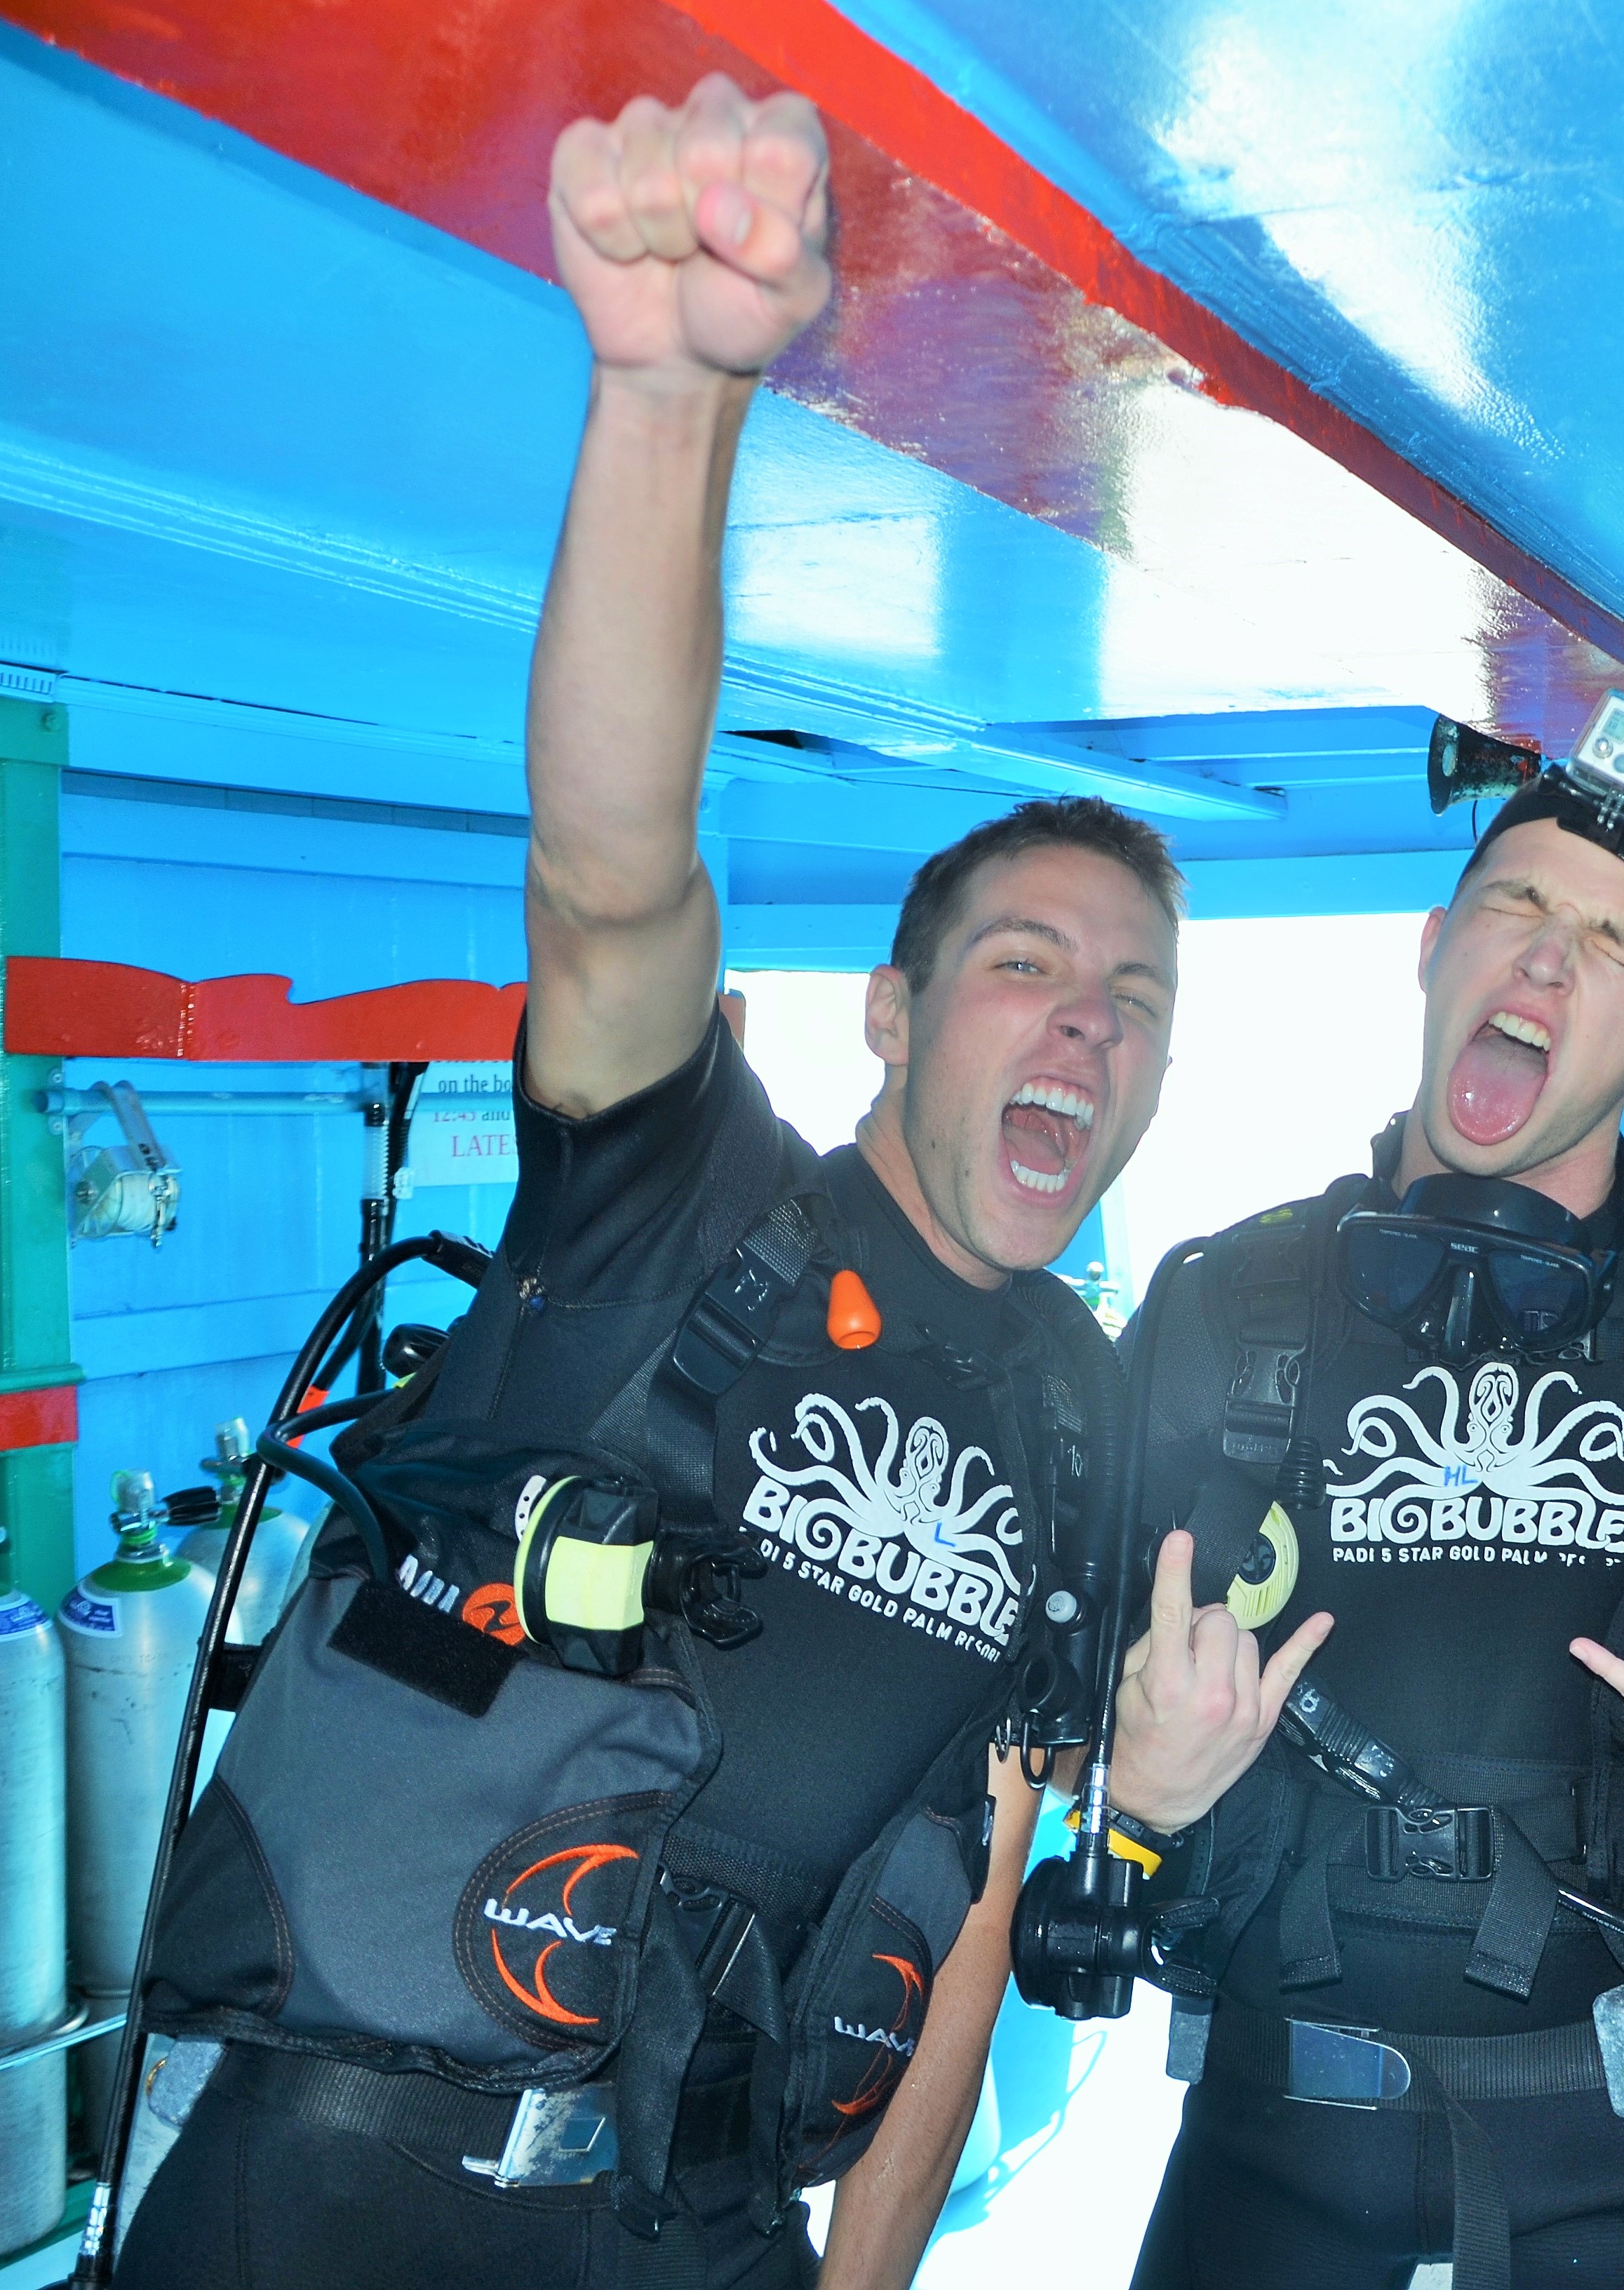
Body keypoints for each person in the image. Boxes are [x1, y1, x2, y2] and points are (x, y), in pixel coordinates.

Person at [119, 79, 1179, 2289]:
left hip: (702, 2227)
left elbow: (980, 1890)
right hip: (345, 2175)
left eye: (1136, 1001)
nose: (1086, 1026)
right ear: (890, 1015)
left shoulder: (1082, 1409)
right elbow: (613, 878)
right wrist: (672, 396)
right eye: (1026, 967)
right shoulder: (690, 1190)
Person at [1096, 761, 1624, 2290]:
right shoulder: (1225, 1306)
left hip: (1619, 2166)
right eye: (1517, 904)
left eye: (1613, 941)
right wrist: (1129, 1786)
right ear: (1433, 945)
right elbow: (1046, 1733)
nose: (1548, 956)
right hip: (1261, 2143)